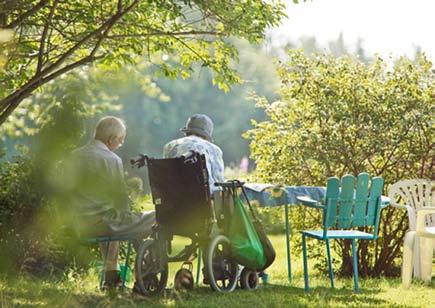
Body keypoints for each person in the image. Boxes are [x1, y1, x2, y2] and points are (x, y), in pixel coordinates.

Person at [67, 116, 155, 288]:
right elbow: (120, 202)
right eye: (120, 141)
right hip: (104, 224)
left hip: (78, 223)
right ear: (112, 139)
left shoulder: (74, 156)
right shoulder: (111, 159)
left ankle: (112, 277)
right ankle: (147, 274)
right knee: (156, 217)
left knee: (113, 219)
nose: (119, 145)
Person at [163, 114, 224, 195]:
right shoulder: (214, 150)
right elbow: (219, 181)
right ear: (206, 134)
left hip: (173, 199)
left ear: (187, 131)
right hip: (204, 201)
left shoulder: (169, 146)